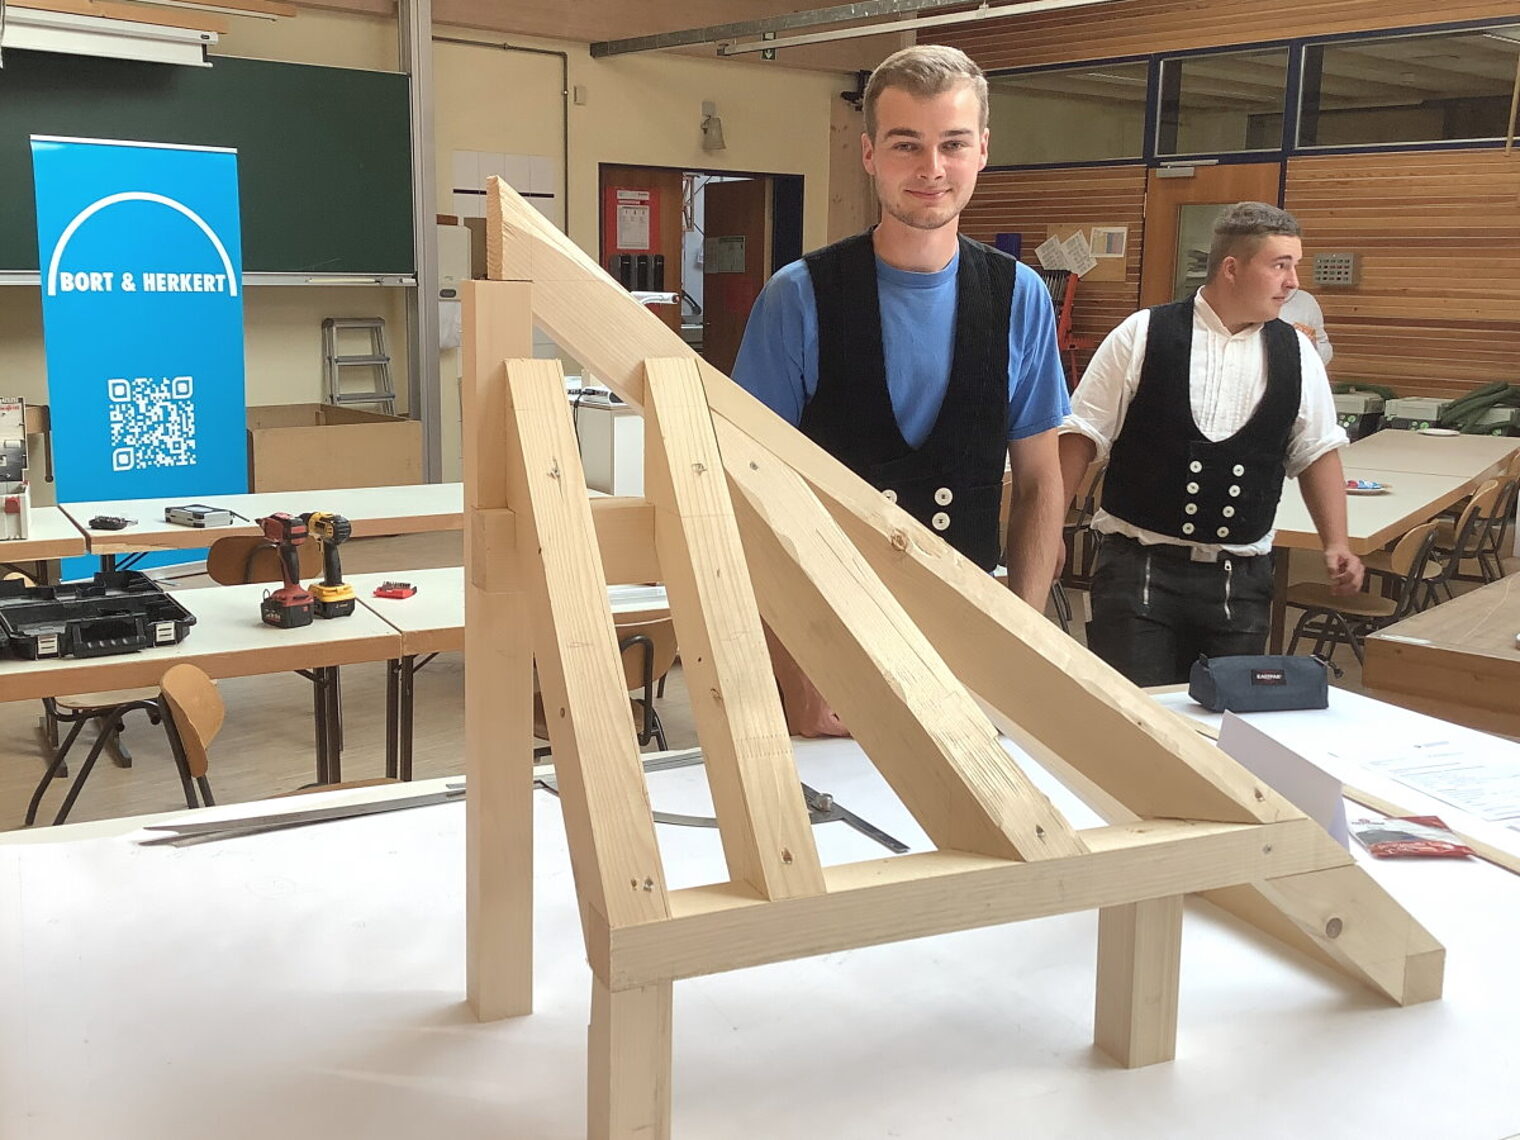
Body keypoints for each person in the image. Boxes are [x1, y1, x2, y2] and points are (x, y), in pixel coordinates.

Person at [732, 44, 1069, 605]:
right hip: (833, 614)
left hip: (970, 612)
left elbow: (1038, 482)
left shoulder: (1021, 296)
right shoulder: (798, 296)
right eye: (906, 143)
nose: (931, 168)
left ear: (982, 150)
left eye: (953, 144)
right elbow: (753, 477)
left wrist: (1027, 635)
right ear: (869, 153)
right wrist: (803, 666)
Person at [1057, 202, 1363, 687]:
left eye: (1295, 266)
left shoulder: (1297, 353)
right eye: (1280, 265)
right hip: (1138, 570)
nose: (1293, 282)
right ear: (1232, 268)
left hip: (1239, 583)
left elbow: (1317, 451)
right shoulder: (1142, 333)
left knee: (1223, 730)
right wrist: (1051, 527)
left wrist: (1337, 543)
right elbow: (1080, 436)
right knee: (1138, 722)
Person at [1279, 286, 1333, 366]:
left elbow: (1325, 350)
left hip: (1294, 374)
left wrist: (1312, 345)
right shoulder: (1255, 303)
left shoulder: (1305, 301)